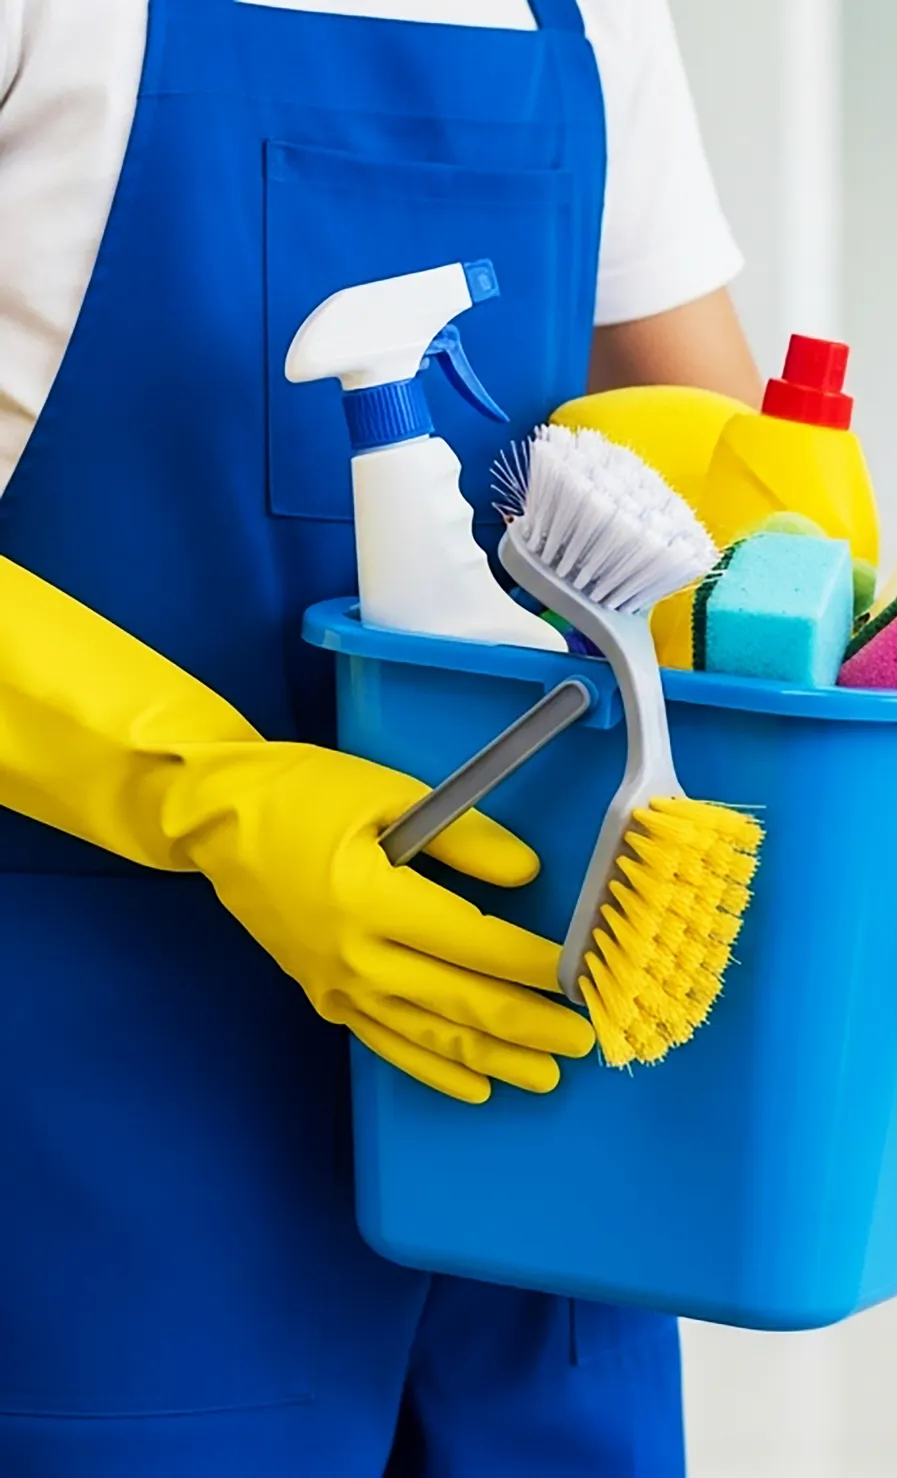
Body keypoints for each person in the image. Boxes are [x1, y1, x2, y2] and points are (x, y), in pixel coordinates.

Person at [0, 0, 766, 1471]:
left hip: (535, 1098)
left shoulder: (600, 21)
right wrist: (203, 787)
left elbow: (739, 503)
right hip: (104, 1124)